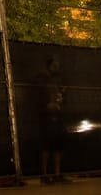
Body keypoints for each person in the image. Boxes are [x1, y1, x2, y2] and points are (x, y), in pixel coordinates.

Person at [35, 55, 68, 184]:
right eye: (54, 66)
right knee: (47, 146)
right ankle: (44, 175)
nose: (57, 68)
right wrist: (46, 105)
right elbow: (39, 97)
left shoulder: (55, 80)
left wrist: (61, 97)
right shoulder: (42, 79)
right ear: (49, 66)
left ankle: (57, 174)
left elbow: (59, 96)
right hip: (47, 117)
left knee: (58, 145)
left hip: (57, 115)